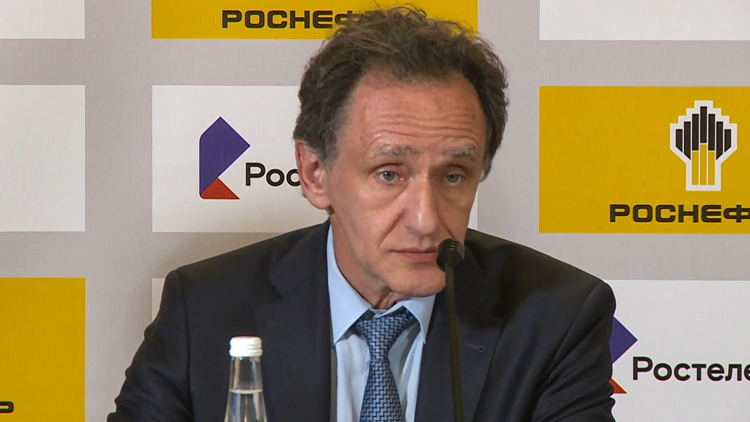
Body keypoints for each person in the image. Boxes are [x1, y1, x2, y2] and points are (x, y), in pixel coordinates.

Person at [109, 6, 615, 422]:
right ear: (315, 174)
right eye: (389, 173)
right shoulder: (206, 310)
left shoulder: (556, 317)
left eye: (453, 176)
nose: (425, 220)